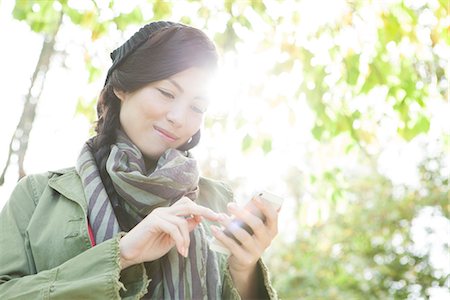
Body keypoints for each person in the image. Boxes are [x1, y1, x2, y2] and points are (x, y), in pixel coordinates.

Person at [0, 21, 280, 299]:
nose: (178, 118)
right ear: (123, 87)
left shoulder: (216, 202)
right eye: (167, 93)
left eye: (197, 107)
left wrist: (244, 271)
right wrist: (122, 254)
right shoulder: (38, 196)